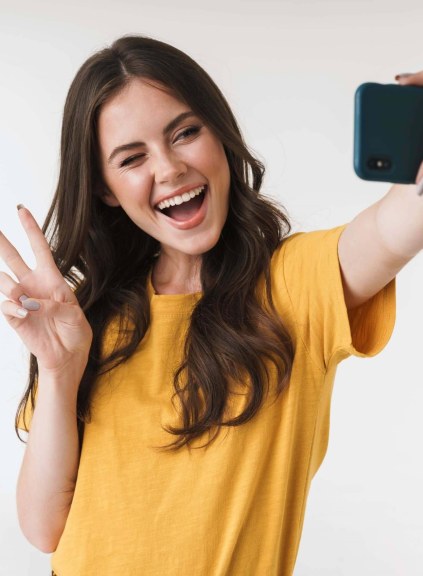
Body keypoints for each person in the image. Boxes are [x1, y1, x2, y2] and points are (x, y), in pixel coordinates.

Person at [0, 35, 421, 576]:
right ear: (106, 188)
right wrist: (60, 373)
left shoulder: (291, 286)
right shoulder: (84, 321)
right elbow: (43, 529)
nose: (170, 168)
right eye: (132, 158)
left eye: (185, 133)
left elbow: (398, 224)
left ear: (219, 135)